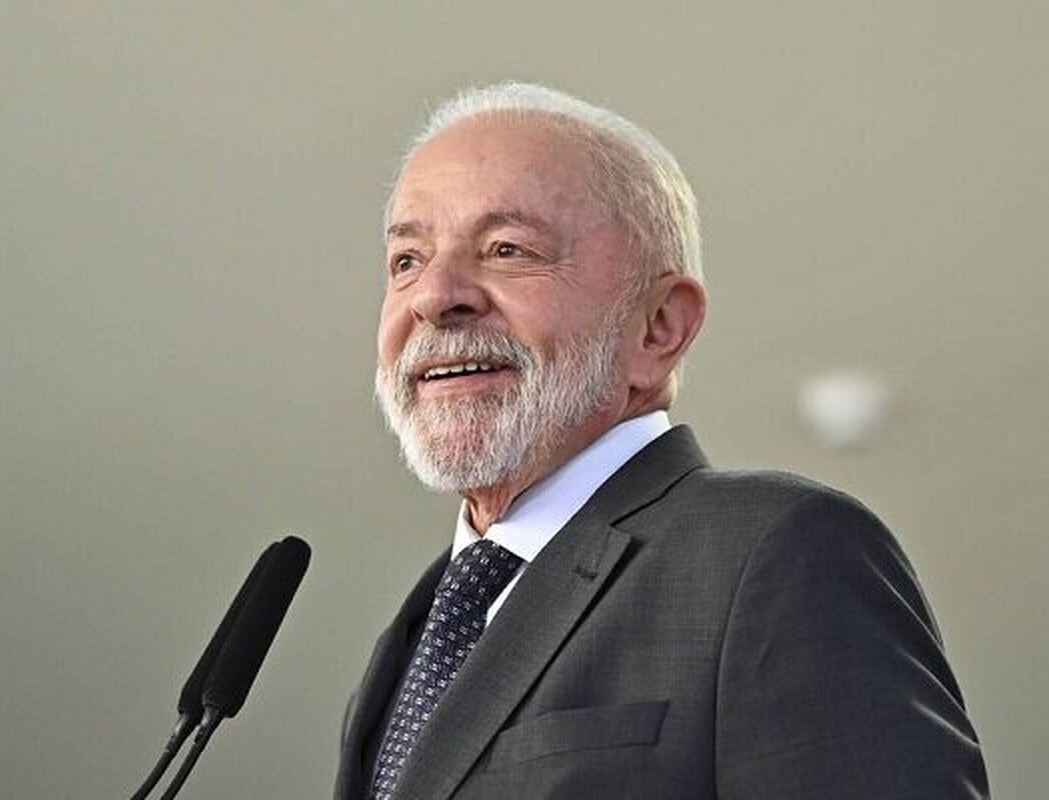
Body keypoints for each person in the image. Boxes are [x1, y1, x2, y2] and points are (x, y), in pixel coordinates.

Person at [335, 82, 988, 800]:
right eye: (407, 260)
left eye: (507, 249)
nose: (435, 296)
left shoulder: (775, 552)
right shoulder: (428, 623)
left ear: (659, 328)